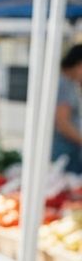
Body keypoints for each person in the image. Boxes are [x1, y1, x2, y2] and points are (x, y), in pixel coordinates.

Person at [51, 45, 82, 173]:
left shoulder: (68, 83)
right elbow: (62, 123)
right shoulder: (64, 84)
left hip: (69, 149)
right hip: (66, 151)